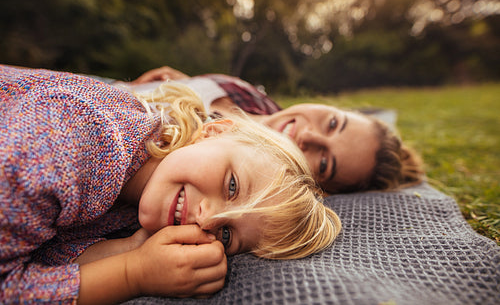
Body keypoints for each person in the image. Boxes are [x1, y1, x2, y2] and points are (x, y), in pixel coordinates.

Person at [0, 65, 341, 304]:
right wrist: (132, 273)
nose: (208, 220)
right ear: (215, 130)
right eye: (232, 186)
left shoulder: (144, 192)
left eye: (226, 235)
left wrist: (130, 248)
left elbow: (44, 249)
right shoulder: (69, 139)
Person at [120, 66, 425, 194]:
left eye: (324, 162)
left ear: (319, 188)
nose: (309, 136)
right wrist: (178, 85)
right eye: (332, 123)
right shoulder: (254, 97)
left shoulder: (218, 168)